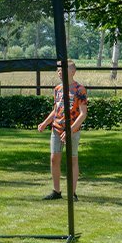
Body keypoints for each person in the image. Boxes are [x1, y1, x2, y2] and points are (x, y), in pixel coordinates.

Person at [37, 60, 88, 200]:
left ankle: (72, 193)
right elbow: (56, 109)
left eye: (62, 70)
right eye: (58, 70)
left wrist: (71, 130)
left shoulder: (79, 89)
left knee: (72, 159)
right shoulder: (58, 89)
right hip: (56, 129)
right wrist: (45, 123)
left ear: (72, 71)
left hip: (73, 130)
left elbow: (83, 114)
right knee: (54, 158)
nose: (59, 72)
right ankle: (56, 191)